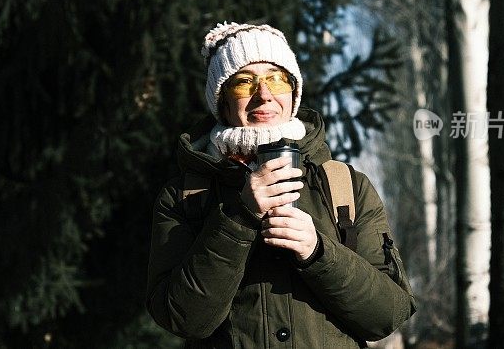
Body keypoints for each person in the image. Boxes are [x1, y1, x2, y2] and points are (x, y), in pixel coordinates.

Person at [146, 22, 415, 347]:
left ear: (293, 91)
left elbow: (388, 315)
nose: (264, 95)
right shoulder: (186, 195)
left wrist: (318, 252)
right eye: (244, 82)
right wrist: (239, 217)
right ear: (222, 100)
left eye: (277, 79)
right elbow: (183, 318)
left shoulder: (345, 187)